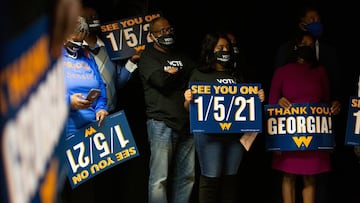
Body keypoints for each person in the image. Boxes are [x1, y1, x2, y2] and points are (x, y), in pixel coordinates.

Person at [184, 32, 265, 203]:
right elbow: (188, 109)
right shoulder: (199, 74)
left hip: (234, 136)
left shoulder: (236, 74)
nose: (225, 50)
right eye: (220, 47)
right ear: (210, 50)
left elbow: (247, 103)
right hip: (209, 136)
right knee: (210, 179)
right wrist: (187, 100)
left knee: (230, 179)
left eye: (227, 47)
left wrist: (258, 98)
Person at [269, 31, 340, 203]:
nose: (307, 47)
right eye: (304, 44)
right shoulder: (282, 72)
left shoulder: (321, 71)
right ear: (296, 47)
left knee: (310, 177)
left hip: (314, 133)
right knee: (289, 175)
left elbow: (326, 102)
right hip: (288, 133)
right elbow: (271, 104)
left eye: (311, 44)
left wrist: (333, 107)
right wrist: (279, 100)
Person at [138, 16, 197, 203]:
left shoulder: (182, 56)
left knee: (187, 178)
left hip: (187, 124)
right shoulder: (147, 57)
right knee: (159, 179)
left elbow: (196, 78)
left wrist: (172, 74)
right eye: (161, 31)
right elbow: (161, 82)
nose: (167, 33)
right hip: (161, 123)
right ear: (151, 36)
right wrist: (178, 75)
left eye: (169, 29)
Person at [60, 16, 109, 203]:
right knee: (61, 190)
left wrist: (101, 108)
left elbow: (101, 87)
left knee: (85, 192)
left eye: (81, 40)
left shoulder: (87, 56)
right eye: (75, 39)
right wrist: (67, 102)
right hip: (61, 134)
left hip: (88, 134)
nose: (78, 43)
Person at [81, 6, 140, 114]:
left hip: (111, 113)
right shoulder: (74, 52)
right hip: (85, 116)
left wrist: (132, 60)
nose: (93, 19)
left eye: (95, 16)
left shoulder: (110, 47)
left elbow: (118, 82)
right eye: (88, 17)